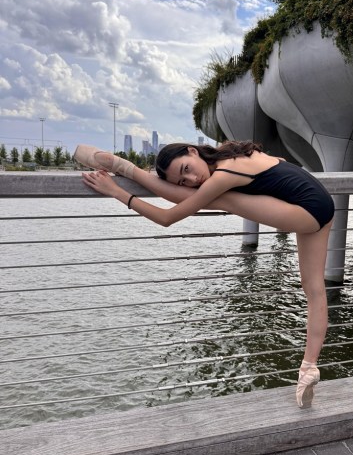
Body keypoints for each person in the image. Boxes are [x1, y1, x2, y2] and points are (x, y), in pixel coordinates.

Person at [76, 141, 334, 409]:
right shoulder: (230, 151)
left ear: (192, 151)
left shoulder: (224, 174)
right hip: (322, 203)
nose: (191, 179)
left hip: (307, 210)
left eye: (186, 169)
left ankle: (123, 166)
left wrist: (118, 192)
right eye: (183, 179)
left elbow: (168, 217)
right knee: (313, 289)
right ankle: (309, 368)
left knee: (219, 198)